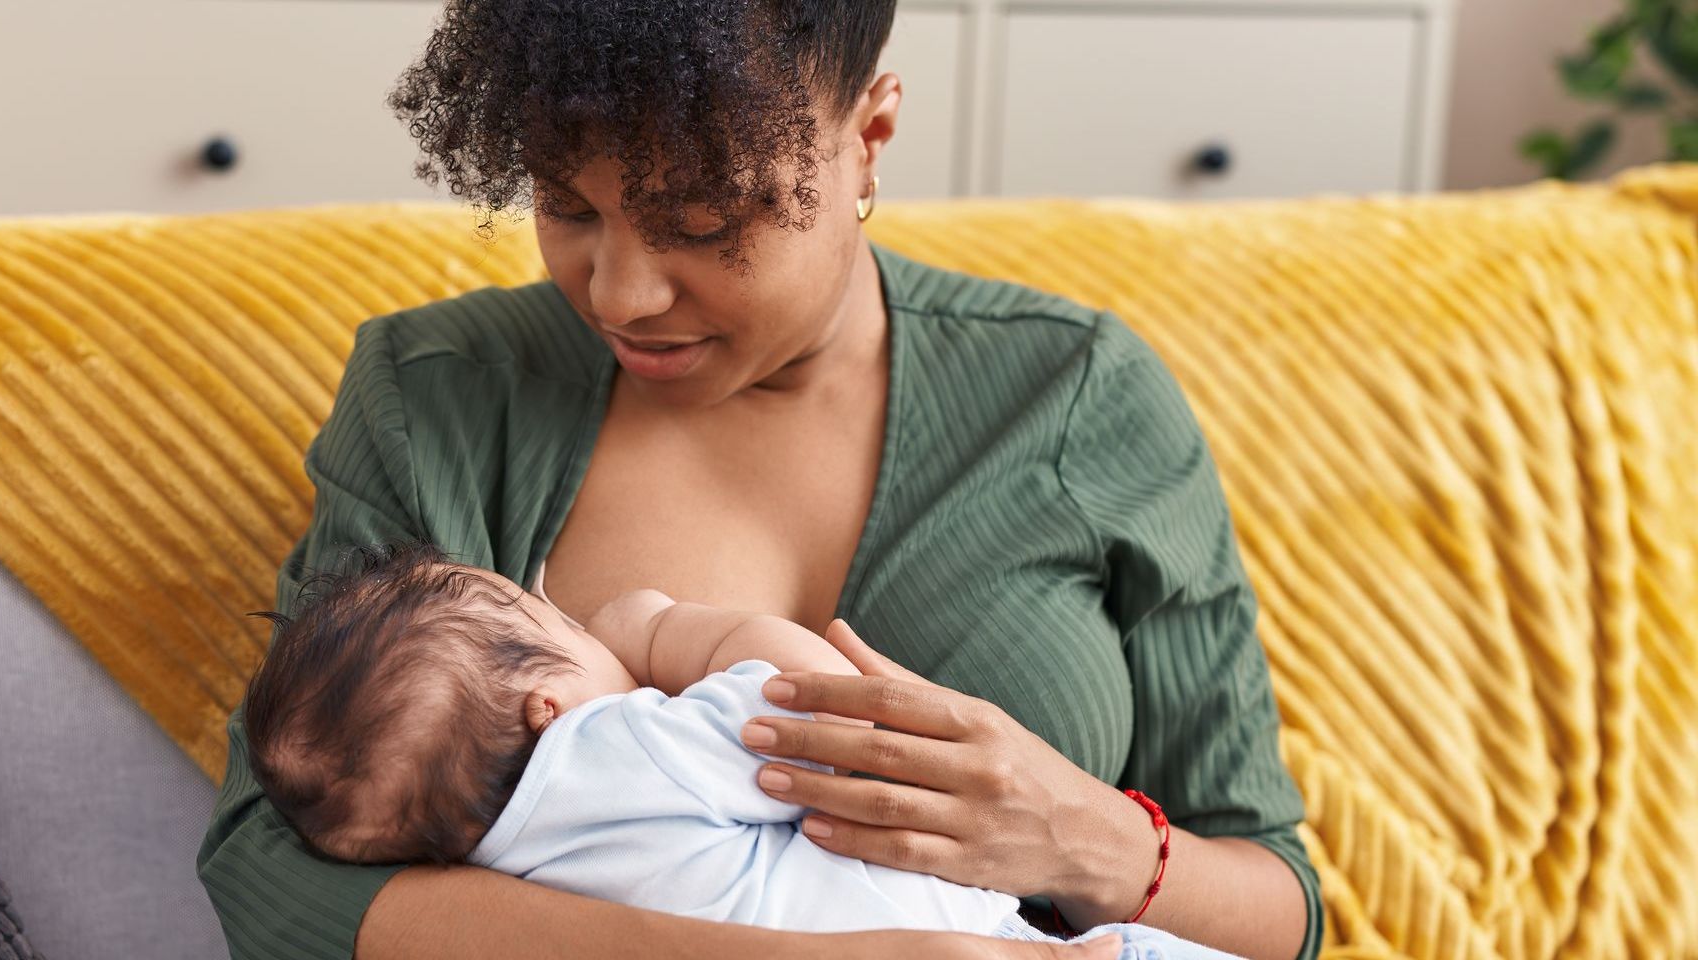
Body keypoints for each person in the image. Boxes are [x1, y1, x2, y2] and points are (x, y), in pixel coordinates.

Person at [195, 1, 1323, 958]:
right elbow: (269, 871)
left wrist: (1081, 835)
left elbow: (1279, 910)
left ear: (870, 135)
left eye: (702, 218)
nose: (620, 295)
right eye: (569, 206)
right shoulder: (441, 393)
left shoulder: (1076, 392)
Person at [233, 540, 1244, 959]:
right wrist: (662, 627)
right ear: (550, 707)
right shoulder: (620, 749)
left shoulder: (499, 862)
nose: (586, 627)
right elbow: (808, 702)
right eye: (561, 624)